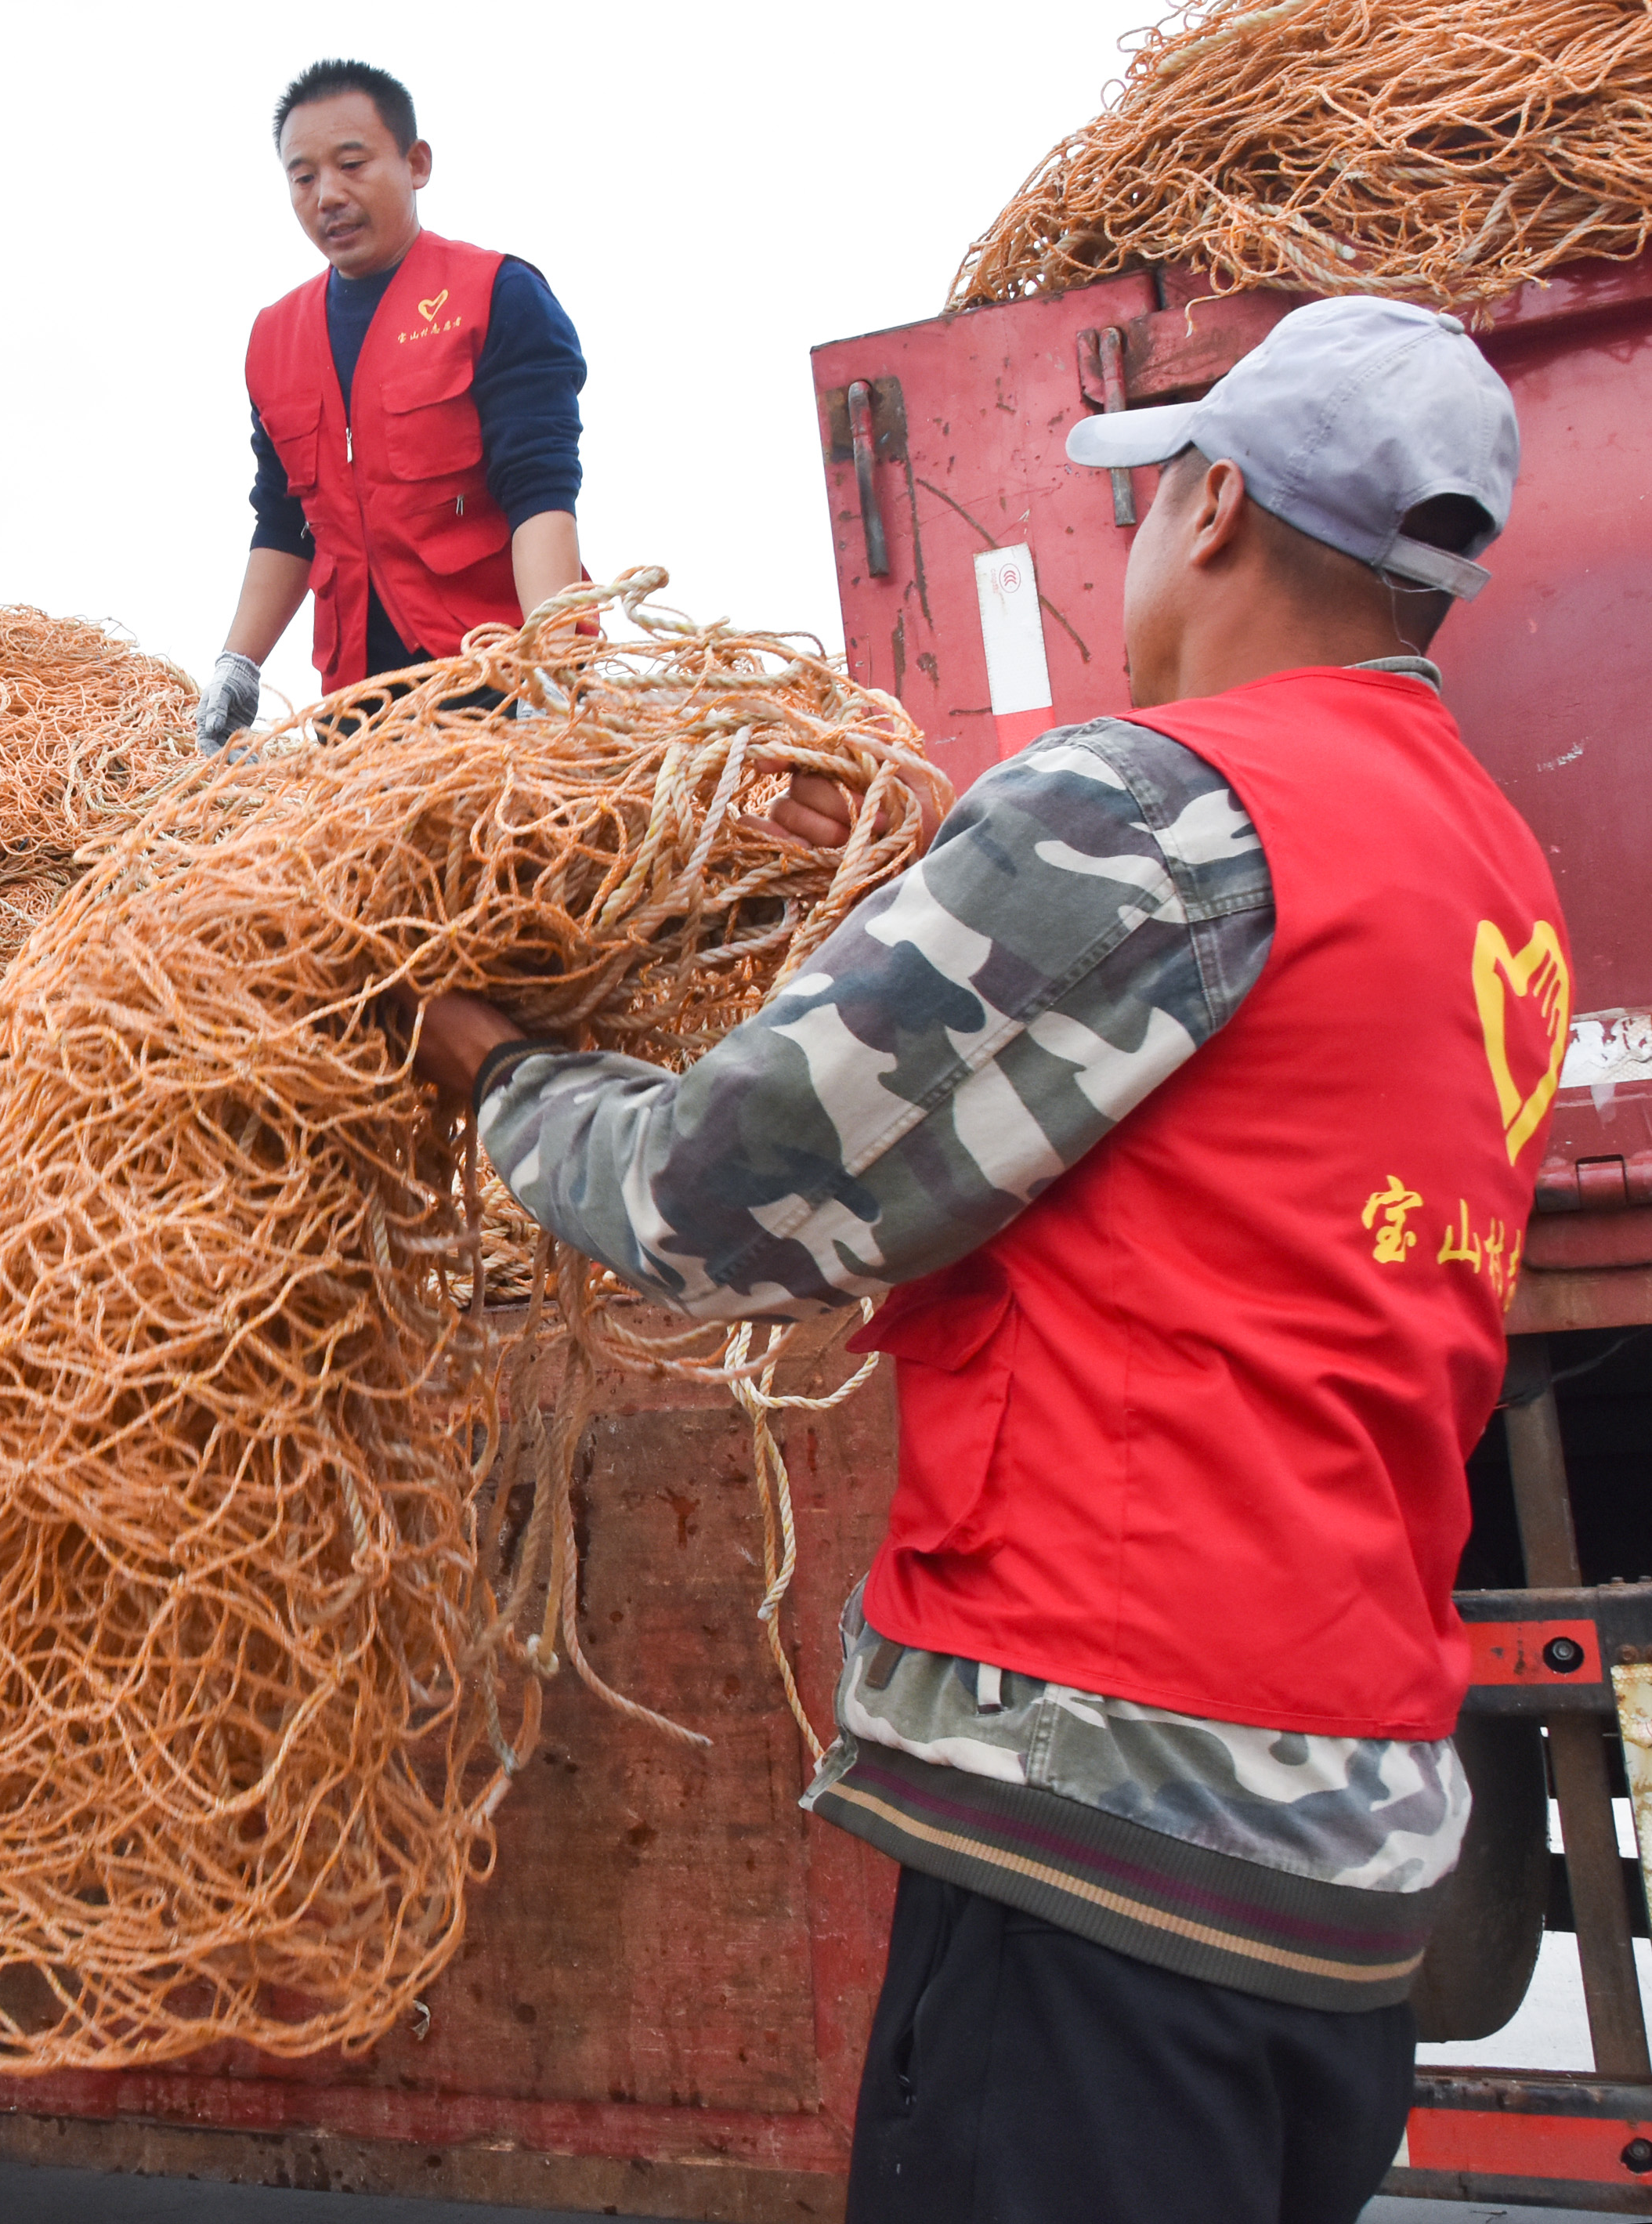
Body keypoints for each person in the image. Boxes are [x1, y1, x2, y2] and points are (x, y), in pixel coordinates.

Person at [410, 298, 1550, 2222]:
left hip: (1104, 1850)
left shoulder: (1159, 807)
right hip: (1337, 1858)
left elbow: (713, 1198)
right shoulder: (1483, 865)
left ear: (1211, 510)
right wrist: (917, 884)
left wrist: (495, 1063)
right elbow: (1211, 1146)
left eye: (1148, 503)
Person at [193, 58, 589, 753]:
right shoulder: (273, 339)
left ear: (416, 162)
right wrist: (238, 663)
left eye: (352, 164)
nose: (328, 195)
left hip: (496, 680)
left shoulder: (495, 294)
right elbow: (285, 521)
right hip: (358, 708)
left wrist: (548, 667)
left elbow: (539, 492)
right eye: (303, 176)